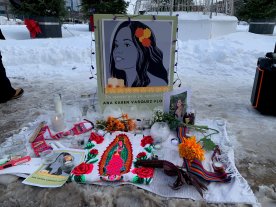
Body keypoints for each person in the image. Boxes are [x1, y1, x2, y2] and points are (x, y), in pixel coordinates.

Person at [109, 21, 168, 87]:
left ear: (142, 49)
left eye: (127, 45)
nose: (117, 50)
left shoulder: (158, 84)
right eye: (116, 45)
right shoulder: (114, 82)